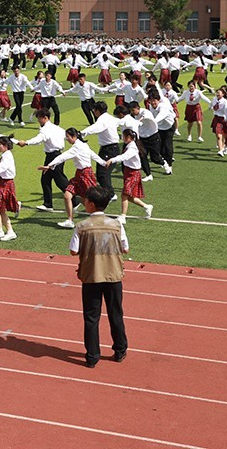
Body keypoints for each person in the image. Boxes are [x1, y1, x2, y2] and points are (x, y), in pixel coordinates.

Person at [70, 186, 129, 368]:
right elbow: (125, 248)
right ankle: (120, 350)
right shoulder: (116, 224)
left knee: (91, 317)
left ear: (91, 204)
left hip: (91, 276)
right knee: (116, 314)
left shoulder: (81, 226)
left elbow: (73, 251)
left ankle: (92, 356)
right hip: (113, 275)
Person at [107, 128, 154, 224]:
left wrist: (112, 160)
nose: (122, 138)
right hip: (129, 172)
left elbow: (125, 157)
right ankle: (146, 206)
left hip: (133, 173)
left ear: (128, 137)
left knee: (124, 194)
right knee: (129, 196)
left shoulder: (132, 148)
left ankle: (123, 216)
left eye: (123, 136)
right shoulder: (130, 145)